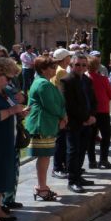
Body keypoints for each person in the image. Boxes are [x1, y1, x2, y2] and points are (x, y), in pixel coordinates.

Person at [0, 58, 27, 221]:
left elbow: (9, 111)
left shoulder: (2, 91)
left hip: (5, 141)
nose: (9, 81)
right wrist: (12, 110)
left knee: (2, 177)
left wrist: (20, 113)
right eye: (7, 77)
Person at [25, 56, 67, 201]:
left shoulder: (45, 82)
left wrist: (62, 115)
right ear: (43, 69)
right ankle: (41, 187)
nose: (55, 69)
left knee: (46, 156)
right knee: (44, 156)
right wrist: (63, 116)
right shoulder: (43, 84)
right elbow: (51, 105)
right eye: (51, 67)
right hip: (42, 124)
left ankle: (42, 186)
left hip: (47, 123)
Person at [61, 54, 97, 193]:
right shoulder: (67, 80)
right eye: (77, 64)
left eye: (83, 65)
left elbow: (93, 100)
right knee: (73, 151)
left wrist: (92, 115)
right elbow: (69, 104)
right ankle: (72, 180)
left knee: (82, 150)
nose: (81, 67)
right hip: (75, 122)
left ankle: (78, 176)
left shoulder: (87, 80)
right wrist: (85, 117)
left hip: (88, 122)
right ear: (71, 65)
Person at [87, 56, 111, 169]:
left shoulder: (84, 78)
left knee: (91, 136)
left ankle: (92, 161)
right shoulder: (102, 79)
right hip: (102, 110)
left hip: (89, 111)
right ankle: (103, 160)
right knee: (106, 135)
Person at [50, 48, 72, 179]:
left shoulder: (55, 70)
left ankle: (62, 166)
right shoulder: (62, 72)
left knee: (61, 139)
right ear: (65, 59)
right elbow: (65, 92)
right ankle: (58, 167)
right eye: (69, 57)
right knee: (61, 140)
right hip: (62, 108)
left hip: (58, 107)